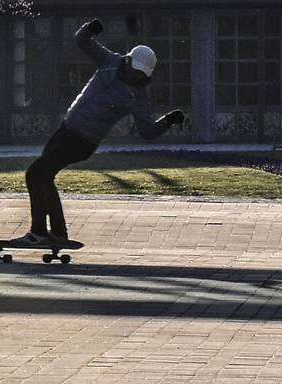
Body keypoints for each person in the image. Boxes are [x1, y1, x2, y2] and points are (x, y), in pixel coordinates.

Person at [13, 18, 185, 250]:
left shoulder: (137, 96)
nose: (136, 76)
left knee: (35, 173)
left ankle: (38, 232)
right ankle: (58, 233)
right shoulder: (109, 61)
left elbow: (147, 131)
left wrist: (168, 120)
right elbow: (82, 41)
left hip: (83, 141)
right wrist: (90, 28)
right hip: (66, 129)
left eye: (141, 74)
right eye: (135, 69)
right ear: (129, 60)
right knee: (44, 176)